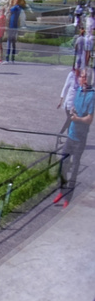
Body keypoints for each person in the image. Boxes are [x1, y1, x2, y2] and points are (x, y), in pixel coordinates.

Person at [54, 67, 93, 207]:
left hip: (80, 138)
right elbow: (74, 108)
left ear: (87, 79)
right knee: (63, 163)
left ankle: (68, 198)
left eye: (82, 76)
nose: (80, 79)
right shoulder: (78, 91)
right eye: (80, 76)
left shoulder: (92, 95)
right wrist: (72, 111)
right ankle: (61, 190)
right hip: (71, 135)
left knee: (75, 168)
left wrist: (78, 119)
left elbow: (89, 118)